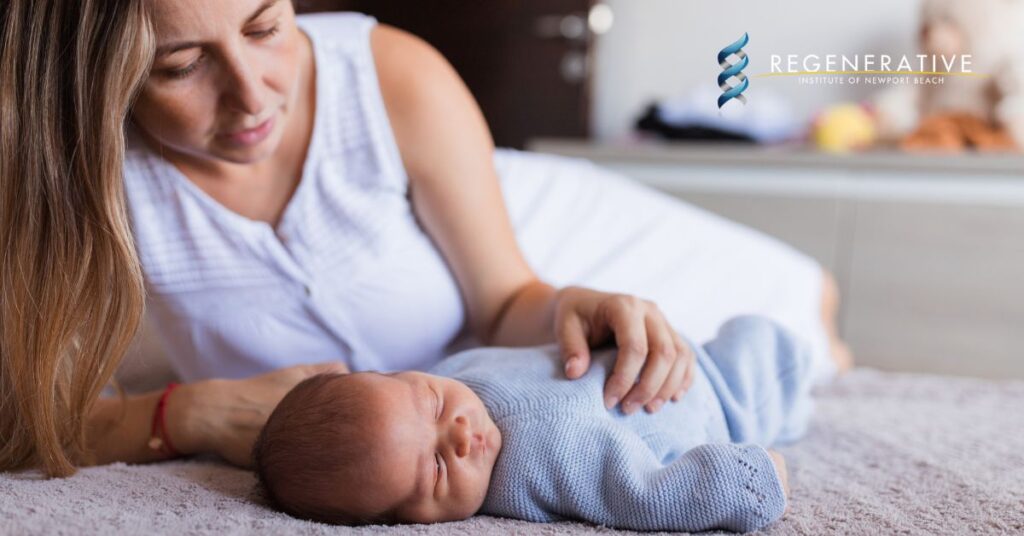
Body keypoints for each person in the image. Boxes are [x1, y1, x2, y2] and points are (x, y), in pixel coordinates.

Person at [0, 0, 850, 478]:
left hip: (521, 217)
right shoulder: (72, 178)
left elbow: (504, 298)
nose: (254, 97)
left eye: (265, 26)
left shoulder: (392, 75)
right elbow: (27, 421)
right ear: (98, 80)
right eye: (182, 67)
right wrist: (189, 414)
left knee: (800, 313)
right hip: (434, 299)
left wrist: (571, 302)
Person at [253, 315, 819, 532]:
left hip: (655, 360)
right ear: (403, 522)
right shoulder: (543, 465)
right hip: (716, 400)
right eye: (433, 469)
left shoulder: (452, 371)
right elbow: (647, 495)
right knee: (772, 349)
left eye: (429, 404)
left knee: (750, 326)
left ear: (399, 373)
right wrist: (747, 481)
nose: (457, 433)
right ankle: (812, 369)